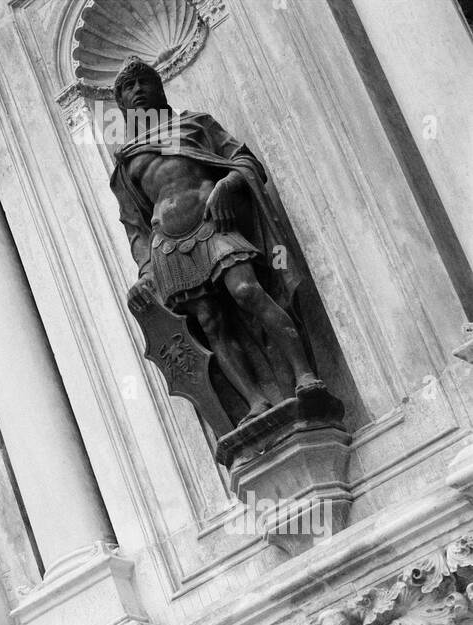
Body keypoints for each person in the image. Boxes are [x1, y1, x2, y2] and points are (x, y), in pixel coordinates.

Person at [110, 56, 321, 424]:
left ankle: (305, 374)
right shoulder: (126, 163)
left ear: (160, 89)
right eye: (128, 88)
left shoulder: (196, 124)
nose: (138, 90)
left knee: (247, 291)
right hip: (169, 247)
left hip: (214, 225)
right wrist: (146, 271)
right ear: (123, 105)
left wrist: (227, 184)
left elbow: (247, 162)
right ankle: (255, 401)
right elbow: (136, 228)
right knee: (211, 323)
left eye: (144, 82)